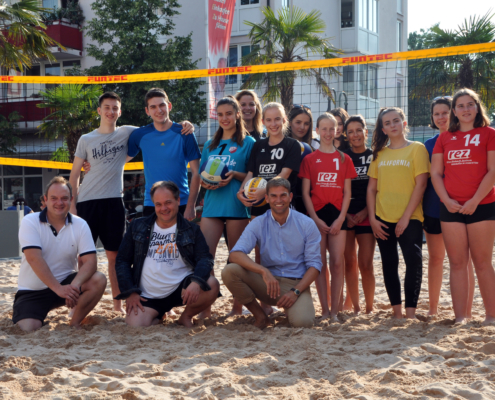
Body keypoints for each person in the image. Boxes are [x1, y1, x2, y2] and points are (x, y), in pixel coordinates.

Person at [115, 181, 220, 328]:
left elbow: (205, 258)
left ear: (178, 201)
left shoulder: (191, 229)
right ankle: (158, 314)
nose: (163, 208)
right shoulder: (138, 226)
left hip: (181, 289)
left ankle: (185, 316)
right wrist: (130, 293)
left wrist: (196, 282)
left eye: (168, 203)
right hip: (148, 295)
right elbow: (122, 261)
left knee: (211, 284)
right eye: (158, 204)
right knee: (135, 325)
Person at [431, 88, 495, 325]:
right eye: (461, 106)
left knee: (482, 262)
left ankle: (491, 316)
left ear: (477, 107)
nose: (466, 109)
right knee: (457, 263)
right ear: (454, 111)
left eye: (470, 104)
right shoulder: (445, 137)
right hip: (451, 207)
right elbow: (436, 174)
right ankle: (461, 317)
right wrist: (447, 200)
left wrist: (475, 200)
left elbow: (492, 171)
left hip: (482, 204)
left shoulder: (489, 133)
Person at [223, 178, 322, 329]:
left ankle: (292, 307)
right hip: (267, 283)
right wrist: (263, 270)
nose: (278, 200)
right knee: (230, 271)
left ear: (290, 197)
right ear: (267, 198)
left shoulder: (306, 223)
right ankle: (260, 316)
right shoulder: (259, 222)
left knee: (303, 322)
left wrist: (295, 292)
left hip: (295, 284)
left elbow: (315, 266)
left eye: (283, 195)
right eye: (274, 196)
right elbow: (235, 254)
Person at [12, 177, 106, 332]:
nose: (59, 203)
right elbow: (34, 258)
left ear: (71, 200)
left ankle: (74, 323)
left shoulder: (80, 224)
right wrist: (58, 289)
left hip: (66, 285)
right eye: (54, 198)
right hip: (33, 291)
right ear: (45, 200)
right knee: (28, 328)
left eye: (64, 198)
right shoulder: (30, 221)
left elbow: (90, 262)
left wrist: (74, 286)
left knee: (98, 279)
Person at [69, 92, 135, 313]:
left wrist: (183, 125)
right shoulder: (86, 139)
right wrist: (72, 204)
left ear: (120, 111)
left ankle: (117, 305)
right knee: (84, 258)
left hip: (114, 202)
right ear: (99, 111)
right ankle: (77, 303)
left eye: (115, 108)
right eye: (107, 107)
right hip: (88, 202)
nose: (111, 111)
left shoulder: (125, 132)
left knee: (114, 257)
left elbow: (155, 128)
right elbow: (74, 174)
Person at [237, 102, 301, 315]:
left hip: (279, 204)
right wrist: (242, 190)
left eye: (277, 119)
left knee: (283, 250)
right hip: (258, 204)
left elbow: (284, 175)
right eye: (269, 119)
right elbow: (251, 173)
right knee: (260, 252)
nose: (273, 123)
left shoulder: (292, 145)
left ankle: (284, 295)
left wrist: (265, 192)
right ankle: (265, 303)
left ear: (284, 121)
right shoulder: (258, 145)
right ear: (263, 121)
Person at [367, 107, 429, 319]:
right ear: (383, 129)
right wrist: (373, 219)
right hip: (383, 218)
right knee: (389, 264)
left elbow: (420, 186)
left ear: (404, 123)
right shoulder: (379, 154)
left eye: (396, 120)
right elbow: (371, 189)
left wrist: (405, 218)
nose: (392, 125)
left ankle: (410, 314)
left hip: (410, 217)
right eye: (387, 123)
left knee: (413, 262)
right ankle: (397, 312)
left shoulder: (417, 149)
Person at [199, 96, 255, 316]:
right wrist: (205, 182)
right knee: (206, 258)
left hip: (236, 206)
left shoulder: (247, 143)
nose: (225, 118)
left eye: (229, 114)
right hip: (212, 206)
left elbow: (252, 176)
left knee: (236, 259)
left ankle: (237, 307)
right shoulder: (211, 145)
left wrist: (233, 175)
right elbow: (203, 175)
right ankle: (206, 307)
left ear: (237, 114)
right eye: (220, 114)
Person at [300, 113, 356, 321]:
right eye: (323, 129)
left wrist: (342, 218)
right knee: (319, 264)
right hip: (316, 215)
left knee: (338, 263)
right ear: (317, 131)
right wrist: (314, 218)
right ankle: (324, 310)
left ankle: (335, 311)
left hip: (337, 215)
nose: (327, 133)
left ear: (337, 131)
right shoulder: (310, 159)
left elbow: (348, 193)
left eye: (331, 129)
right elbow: (305, 192)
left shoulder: (344, 158)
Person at [424, 96, 475, 317]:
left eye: (445, 112)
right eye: (437, 113)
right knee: (436, 259)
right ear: (432, 118)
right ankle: (433, 310)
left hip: (463, 208)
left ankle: (468, 311)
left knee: (465, 261)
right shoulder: (427, 145)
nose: (441, 117)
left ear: (453, 113)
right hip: (434, 208)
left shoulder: (467, 138)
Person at [128, 88, 201, 220]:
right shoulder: (140, 135)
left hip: (181, 203)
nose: (159, 110)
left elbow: (197, 173)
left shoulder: (185, 132)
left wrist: (191, 206)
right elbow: (119, 160)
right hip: (152, 204)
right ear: (147, 111)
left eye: (162, 105)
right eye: (153, 107)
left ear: (169, 106)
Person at [343, 115, 376, 314]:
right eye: (350, 131)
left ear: (366, 131)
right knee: (349, 263)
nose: (355, 135)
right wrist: (346, 213)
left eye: (358, 130)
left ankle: (369, 308)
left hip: (367, 214)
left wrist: (365, 212)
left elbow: (378, 188)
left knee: (366, 264)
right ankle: (355, 308)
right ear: (346, 135)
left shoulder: (376, 155)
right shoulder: (342, 156)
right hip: (346, 215)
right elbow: (337, 189)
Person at [287, 104, 316, 214]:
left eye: (306, 124)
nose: (302, 127)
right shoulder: (280, 145)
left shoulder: (315, 146)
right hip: (286, 198)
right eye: (298, 122)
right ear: (289, 122)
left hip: (309, 201)